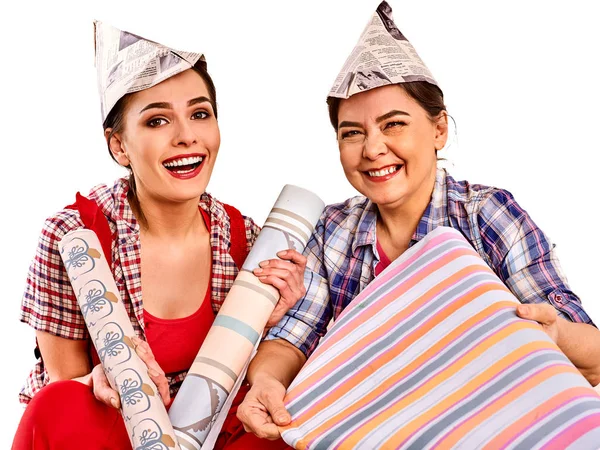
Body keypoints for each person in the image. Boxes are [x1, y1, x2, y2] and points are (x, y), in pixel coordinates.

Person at [237, 2, 600, 440]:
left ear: (439, 129)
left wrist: (556, 333)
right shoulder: (331, 230)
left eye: (394, 125)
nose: (372, 148)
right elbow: (293, 338)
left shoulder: (486, 214)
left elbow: (593, 357)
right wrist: (267, 382)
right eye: (352, 132)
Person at [12, 22, 301, 450]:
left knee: (287, 429)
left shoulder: (247, 239)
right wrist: (99, 378)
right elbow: (64, 386)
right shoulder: (74, 236)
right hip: (114, 429)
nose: (187, 136)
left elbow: (248, 381)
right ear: (120, 147)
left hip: (211, 435)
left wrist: (273, 322)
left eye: (200, 114)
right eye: (157, 120)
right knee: (63, 401)